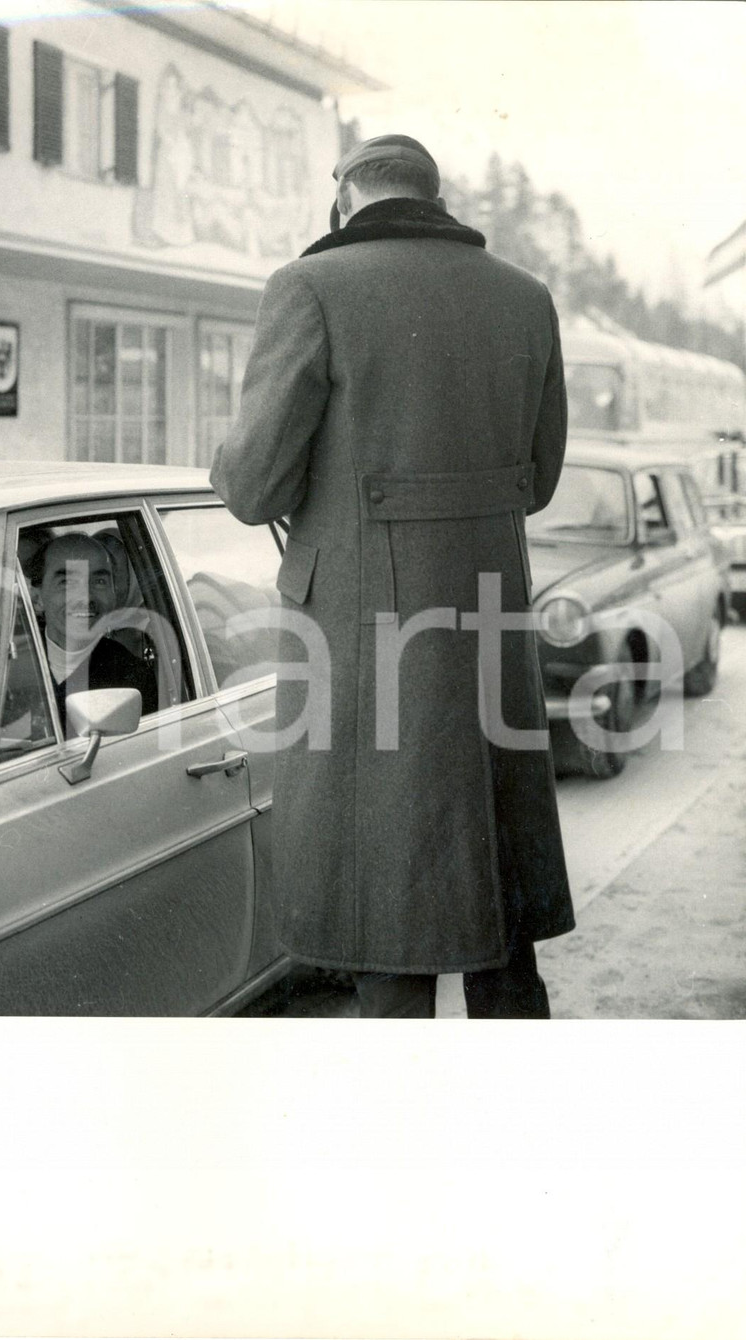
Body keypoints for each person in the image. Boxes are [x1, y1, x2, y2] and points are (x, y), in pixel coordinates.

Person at [210, 134, 575, 1018]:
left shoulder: (308, 288)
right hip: (490, 627)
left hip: (365, 644)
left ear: (344, 197)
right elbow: (543, 478)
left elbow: (251, 488)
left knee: (388, 924)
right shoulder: (527, 299)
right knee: (500, 915)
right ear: (433, 198)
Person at [25, 531, 158, 728]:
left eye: (99, 582)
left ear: (114, 593)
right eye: (67, 583)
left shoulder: (131, 678)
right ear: (37, 599)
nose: (86, 598)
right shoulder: (7, 664)